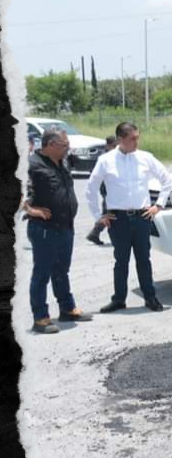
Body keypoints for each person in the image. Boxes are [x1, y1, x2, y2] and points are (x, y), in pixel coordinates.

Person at [86, 122, 172, 314]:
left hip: (142, 216)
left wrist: (158, 205)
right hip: (118, 219)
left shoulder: (145, 158)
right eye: (133, 138)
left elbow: (166, 179)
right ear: (120, 139)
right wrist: (99, 216)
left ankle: (150, 298)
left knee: (144, 259)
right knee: (121, 261)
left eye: (137, 137)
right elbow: (91, 188)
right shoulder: (106, 160)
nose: (137, 141)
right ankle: (118, 299)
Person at [24, 127, 92, 334]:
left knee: (61, 271)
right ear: (51, 145)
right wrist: (30, 209)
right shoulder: (31, 164)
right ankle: (41, 318)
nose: (68, 149)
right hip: (44, 229)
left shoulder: (62, 161)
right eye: (64, 145)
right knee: (42, 274)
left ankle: (67, 308)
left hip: (65, 227)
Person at [85, 135, 118, 246]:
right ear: (108, 145)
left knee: (108, 212)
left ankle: (95, 233)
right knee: (108, 213)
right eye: (114, 145)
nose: (116, 147)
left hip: (111, 189)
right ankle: (95, 233)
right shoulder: (104, 157)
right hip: (107, 188)